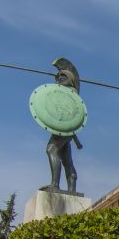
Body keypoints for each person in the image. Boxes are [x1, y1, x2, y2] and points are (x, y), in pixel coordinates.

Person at [40, 62, 83, 194]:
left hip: (65, 128)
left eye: (62, 77)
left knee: (51, 149)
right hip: (65, 129)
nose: (58, 79)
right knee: (66, 159)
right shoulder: (65, 93)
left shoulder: (71, 93)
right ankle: (72, 189)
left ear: (70, 79)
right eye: (57, 77)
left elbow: (70, 113)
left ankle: (55, 185)